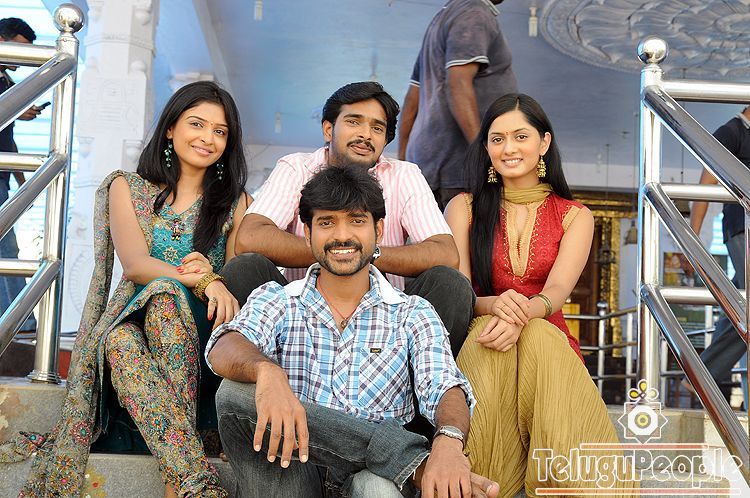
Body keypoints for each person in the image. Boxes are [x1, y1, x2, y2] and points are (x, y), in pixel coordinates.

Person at [0, 81, 250, 498]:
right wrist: (203, 277)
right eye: (197, 124)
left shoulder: (236, 203)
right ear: (170, 128)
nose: (208, 138)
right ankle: (191, 480)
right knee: (123, 333)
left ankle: (181, 480)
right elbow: (136, 265)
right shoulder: (128, 188)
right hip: (135, 334)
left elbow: (236, 276)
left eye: (220, 131)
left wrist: (216, 275)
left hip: (203, 341)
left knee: (166, 301)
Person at [207, 165, 499, 498]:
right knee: (235, 392)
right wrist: (266, 371)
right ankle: (410, 463)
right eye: (327, 222)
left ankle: (399, 462)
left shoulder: (412, 313)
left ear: (379, 230)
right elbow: (224, 347)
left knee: (376, 487)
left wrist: (448, 440)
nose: (342, 235)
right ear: (307, 232)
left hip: (371, 476)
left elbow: (445, 385)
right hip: (289, 470)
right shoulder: (278, 300)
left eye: (357, 221)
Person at [444, 94, 636, 495]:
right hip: (483, 330)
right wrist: (497, 306)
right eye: (497, 139)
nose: (509, 148)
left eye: (521, 136)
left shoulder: (575, 215)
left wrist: (521, 314)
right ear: (486, 148)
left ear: (544, 142)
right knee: (489, 342)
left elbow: (557, 292)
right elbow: (460, 291)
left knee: (538, 336)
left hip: (547, 336)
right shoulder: (463, 207)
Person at [223, 81, 474, 357]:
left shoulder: (405, 175)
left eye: (377, 128)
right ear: (328, 129)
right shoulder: (297, 168)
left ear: (385, 140)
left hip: (389, 328)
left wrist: (364, 253)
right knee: (245, 268)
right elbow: (250, 238)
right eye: (354, 122)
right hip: (298, 321)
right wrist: (334, 252)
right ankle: (261, 372)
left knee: (450, 284)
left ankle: (423, 376)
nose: (365, 134)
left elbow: (445, 253)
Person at [398, 0, 518, 209]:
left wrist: (403, 163)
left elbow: (412, 101)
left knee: (437, 232)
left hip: (428, 170)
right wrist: (484, 155)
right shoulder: (475, 13)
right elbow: (458, 84)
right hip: (462, 172)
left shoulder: (442, 18)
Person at [688, 106, 750, 403]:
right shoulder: (732, 131)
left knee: (741, 304)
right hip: (742, 229)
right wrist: (691, 238)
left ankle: (701, 374)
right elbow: (706, 186)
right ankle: (705, 373)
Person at [0, 17, 43, 332]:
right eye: (20, 48)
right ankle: (21, 323)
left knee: (6, 249)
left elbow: (7, 138)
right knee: (7, 248)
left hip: (2, 177)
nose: (23, 58)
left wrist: (20, 179)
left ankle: (16, 321)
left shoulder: (6, 82)